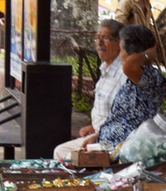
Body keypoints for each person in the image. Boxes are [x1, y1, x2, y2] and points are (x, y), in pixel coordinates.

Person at [53, 20, 126, 161]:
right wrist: (93, 127)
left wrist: (98, 134)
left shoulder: (123, 74)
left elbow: (123, 120)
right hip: (98, 137)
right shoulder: (105, 69)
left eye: (105, 38)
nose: (99, 43)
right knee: (60, 152)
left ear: (119, 43)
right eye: (97, 38)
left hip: (112, 143)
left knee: (70, 159)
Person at [95, 24, 164, 149]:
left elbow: (128, 65)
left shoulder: (149, 77)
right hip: (107, 143)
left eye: (121, 50)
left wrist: (149, 53)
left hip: (125, 149)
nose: (120, 55)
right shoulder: (136, 78)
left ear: (133, 53)